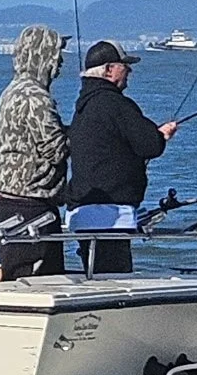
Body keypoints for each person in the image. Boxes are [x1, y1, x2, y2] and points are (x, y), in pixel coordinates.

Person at [66, 38, 176, 274]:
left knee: (94, 275)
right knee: (114, 279)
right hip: (109, 217)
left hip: (82, 214)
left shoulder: (83, 106)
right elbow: (149, 146)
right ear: (108, 69)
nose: (129, 70)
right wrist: (160, 135)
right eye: (124, 65)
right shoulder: (116, 104)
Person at [0, 24, 69, 280]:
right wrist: (83, 133)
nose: (60, 63)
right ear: (43, 56)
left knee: (14, 275)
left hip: (5, 200)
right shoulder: (36, 97)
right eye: (57, 55)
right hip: (31, 205)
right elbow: (55, 150)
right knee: (37, 281)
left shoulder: (10, 91)